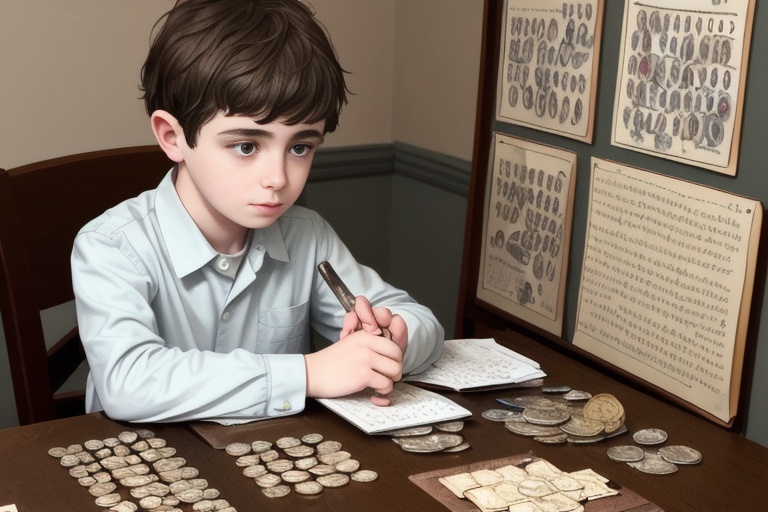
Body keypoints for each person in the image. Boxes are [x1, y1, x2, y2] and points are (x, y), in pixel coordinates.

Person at [71, 0, 444, 424]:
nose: (278, 178)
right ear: (172, 137)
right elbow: (130, 382)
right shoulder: (111, 246)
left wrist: (394, 337)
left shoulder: (308, 235)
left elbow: (422, 322)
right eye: (246, 146)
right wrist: (308, 373)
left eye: (300, 147)